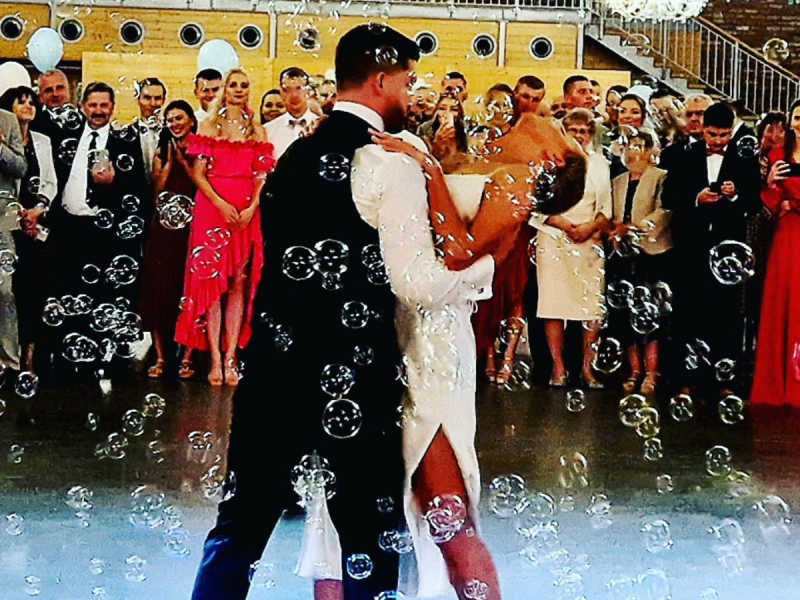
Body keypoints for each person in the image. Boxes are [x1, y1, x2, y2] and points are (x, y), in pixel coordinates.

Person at [190, 24, 419, 600]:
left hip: (277, 363)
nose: (411, 94)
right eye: (407, 81)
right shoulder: (389, 161)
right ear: (381, 79)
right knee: (368, 528)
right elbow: (412, 280)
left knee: (240, 522)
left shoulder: (295, 155)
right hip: (356, 370)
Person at [175, 68, 273, 387]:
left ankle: (232, 356)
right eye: (233, 85)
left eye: (244, 85)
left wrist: (252, 207)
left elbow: (261, 176)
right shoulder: (208, 126)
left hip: (245, 207)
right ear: (225, 90)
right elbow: (198, 174)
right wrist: (220, 204)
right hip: (212, 207)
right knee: (212, 283)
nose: (239, 89)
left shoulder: (257, 130)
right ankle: (215, 359)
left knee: (238, 282)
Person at [662, 102, 761, 396]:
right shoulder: (684, 154)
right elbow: (668, 197)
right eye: (712, 134)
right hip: (690, 247)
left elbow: (755, 202)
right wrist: (696, 198)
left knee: (725, 312)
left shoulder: (744, 158)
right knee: (687, 310)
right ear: (703, 129)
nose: (718, 141)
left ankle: (724, 380)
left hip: (728, 250)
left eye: (724, 135)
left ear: (732, 131)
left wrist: (736, 195)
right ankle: (686, 378)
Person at [532, 108, 611, 388]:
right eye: (574, 130)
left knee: (591, 307)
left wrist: (590, 228)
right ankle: (559, 368)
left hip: (589, 241)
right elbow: (535, 206)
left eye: (584, 131)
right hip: (553, 237)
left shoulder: (600, 164)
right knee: (553, 304)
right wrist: (565, 226)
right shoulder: (548, 161)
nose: (579, 135)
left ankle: (588, 370)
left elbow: (606, 208)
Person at [608, 129, 673, 395]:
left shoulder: (661, 176)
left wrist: (635, 228)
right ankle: (634, 370)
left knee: (650, 313)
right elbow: (612, 214)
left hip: (652, 252)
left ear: (649, 151)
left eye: (637, 145)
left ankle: (652, 372)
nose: (631, 151)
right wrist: (615, 230)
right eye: (627, 146)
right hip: (622, 253)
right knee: (624, 313)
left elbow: (664, 211)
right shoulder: (618, 181)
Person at [138, 100, 198, 380]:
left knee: (190, 288)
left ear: (191, 121)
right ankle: (161, 356)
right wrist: (170, 163)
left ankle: (187, 357)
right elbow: (156, 194)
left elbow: (203, 186)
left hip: (194, 224)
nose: (174, 124)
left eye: (179, 118)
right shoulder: (161, 151)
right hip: (163, 226)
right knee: (159, 288)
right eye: (170, 120)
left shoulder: (203, 149)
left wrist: (185, 164)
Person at [0, 87, 57, 376]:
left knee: (22, 291)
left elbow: (33, 174)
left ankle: (21, 359)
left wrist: (37, 210)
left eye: (30, 101)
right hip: (12, 218)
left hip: (23, 221)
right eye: (20, 101)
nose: (27, 105)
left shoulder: (36, 138)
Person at [751, 99, 800, 407]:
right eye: (797, 117)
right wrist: (769, 184)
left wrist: (791, 203)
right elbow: (770, 202)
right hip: (786, 237)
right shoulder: (778, 155)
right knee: (782, 302)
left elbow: (787, 201)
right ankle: (777, 382)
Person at [0, 106, 27, 370]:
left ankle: (9, 362)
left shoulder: (7, 120)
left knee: (4, 290)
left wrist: (0, 148)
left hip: (2, 216)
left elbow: (20, 167)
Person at [265, 67, 319, 158]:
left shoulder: (323, 128)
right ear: (281, 92)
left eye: (299, 89)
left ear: (309, 92)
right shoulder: (268, 131)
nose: (294, 95)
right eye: (287, 90)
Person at [416, 93, 468, 171]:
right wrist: (436, 145)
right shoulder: (424, 129)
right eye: (442, 109)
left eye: (454, 110)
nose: (447, 114)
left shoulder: (464, 131)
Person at [134, 77, 166, 184]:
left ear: (163, 100)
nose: (152, 104)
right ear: (138, 99)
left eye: (157, 98)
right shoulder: (128, 135)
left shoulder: (172, 134)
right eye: (147, 98)